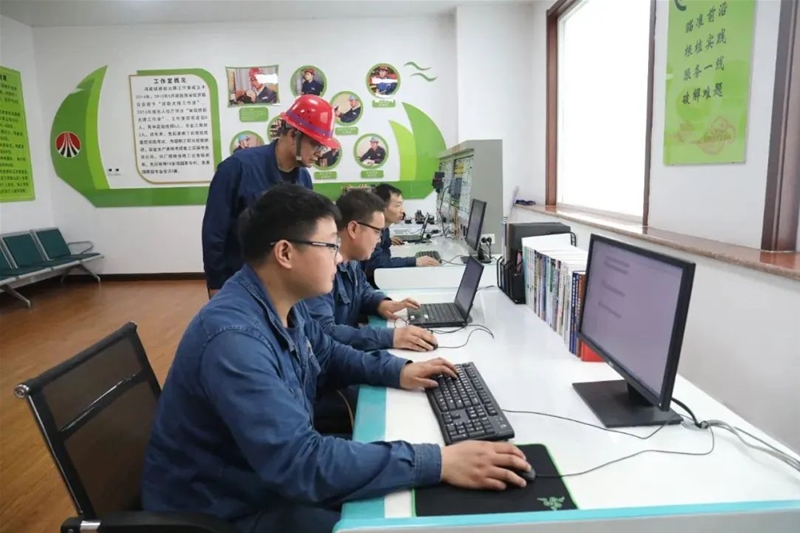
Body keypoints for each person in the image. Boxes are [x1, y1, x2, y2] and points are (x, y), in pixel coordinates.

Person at [141, 184, 533, 533]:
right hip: (229, 508)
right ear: (285, 253)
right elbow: (301, 464)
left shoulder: (281, 303)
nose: (340, 258)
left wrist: (401, 371)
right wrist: (439, 463)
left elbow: (328, 354)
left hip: (262, 479)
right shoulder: (234, 340)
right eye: (330, 246)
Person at [202, 94, 338, 298]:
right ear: (293, 134)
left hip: (285, 285)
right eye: (315, 144)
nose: (320, 153)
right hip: (240, 282)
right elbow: (214, 231)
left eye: (322, 147)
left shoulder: (303, 179)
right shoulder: (238, 168)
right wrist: (216, 283)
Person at [306, 189, 439, 353]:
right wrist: (391, 337)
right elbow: (325, 333)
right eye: (377, 232)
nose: (380, 239)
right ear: (353, 229)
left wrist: (381, 303)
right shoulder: (320, 272)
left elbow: (363, 291)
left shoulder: (352, 261)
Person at [361, 183, 440, 280]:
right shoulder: (371, 232)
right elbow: (378, 263)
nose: (403, 211)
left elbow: (383, 255)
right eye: (398, 205)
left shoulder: (384, 228)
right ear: (381, 207)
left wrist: (389, 241)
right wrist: (414, 261)